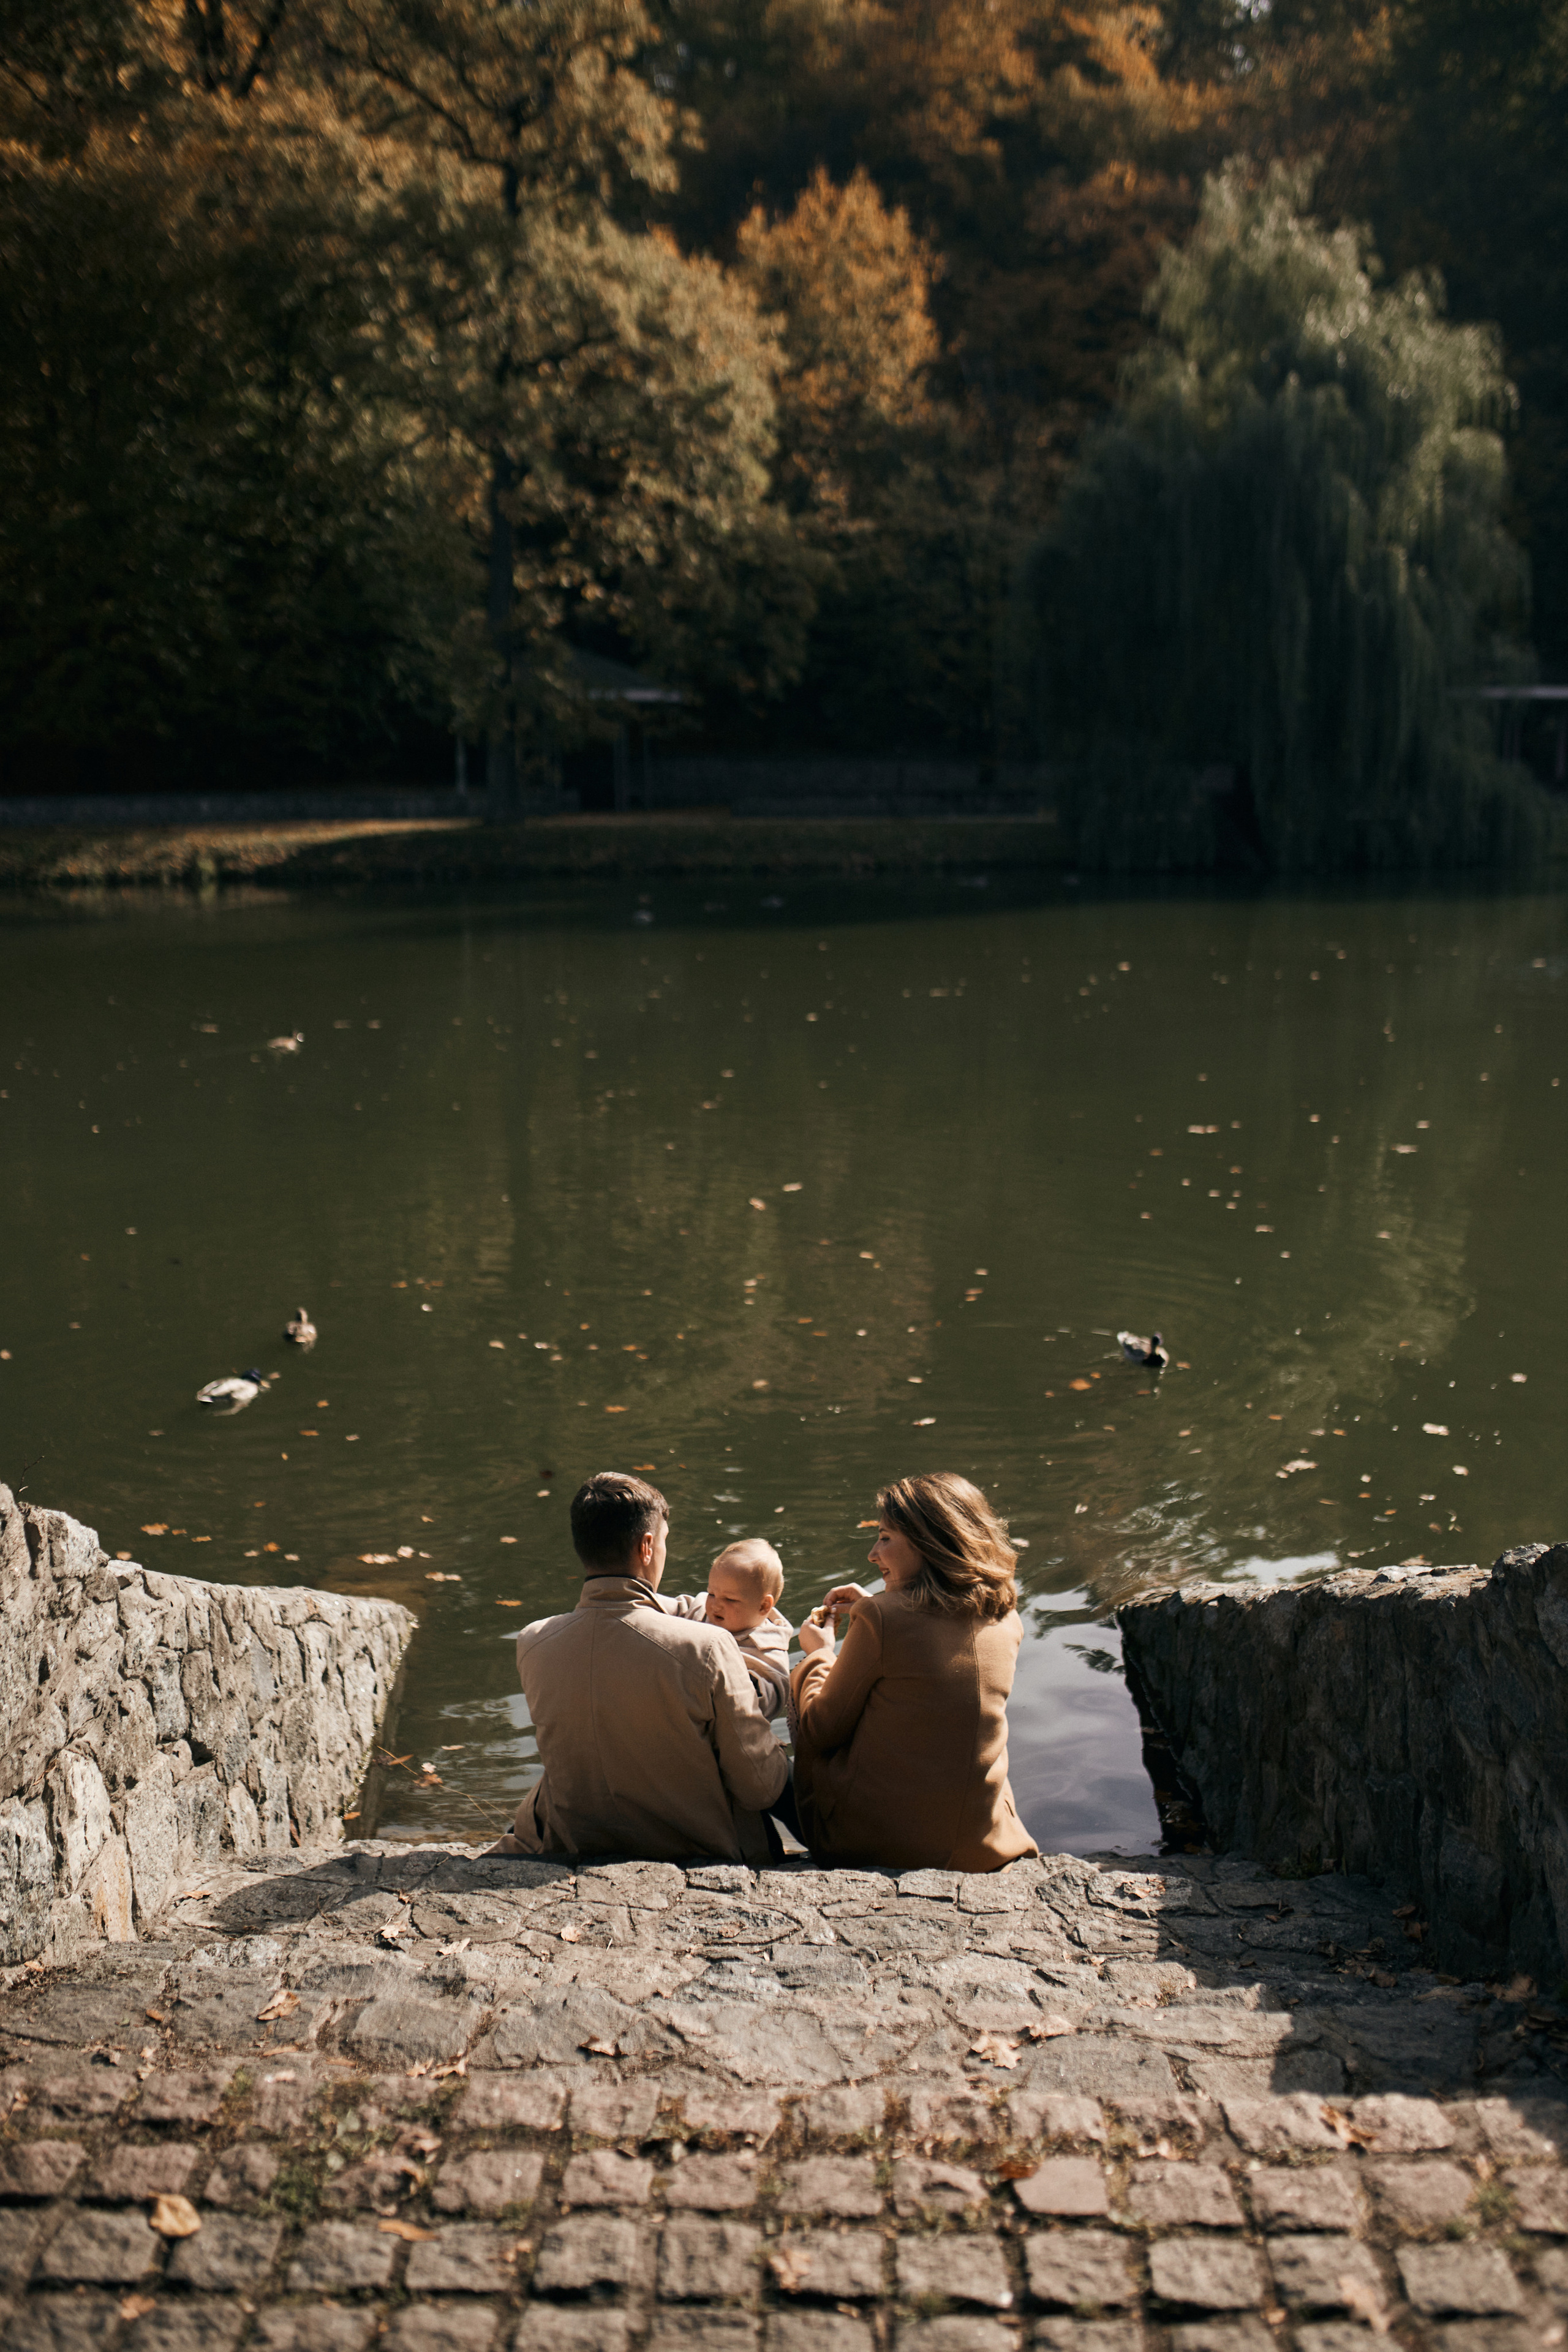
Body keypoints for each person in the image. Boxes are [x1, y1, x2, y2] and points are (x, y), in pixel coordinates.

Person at [487, 1471, 789, 1864]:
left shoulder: (533, 1642)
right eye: (664, 1542)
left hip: (575, 1840)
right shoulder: (710, 1647)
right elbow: (759, 1788)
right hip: (694, 1850)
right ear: (647, 1547)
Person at [790, 1470, 1038, 1872]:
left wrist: (820, 1654)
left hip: (883, 1847)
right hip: (985, 1842)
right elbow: (930, 1652)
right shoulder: (1006, 1616)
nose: (873, 1554)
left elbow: (820, 1728)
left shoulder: (883, 1619)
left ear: (928, 1544)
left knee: (767, 1771)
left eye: (885, 1538)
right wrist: (877, 1605)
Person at [658, 1538, 792, 1717]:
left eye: (730, 1599)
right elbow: (660, 1605)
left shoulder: (768, 1654)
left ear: (763, 1606)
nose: (716, 1605)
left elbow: (763, 1702)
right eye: (712, 1593)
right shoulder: (701, 1610)